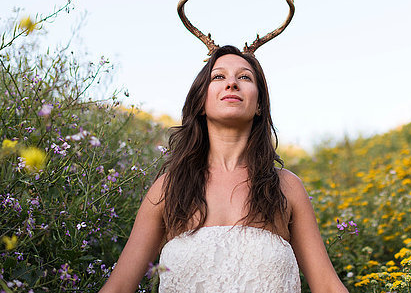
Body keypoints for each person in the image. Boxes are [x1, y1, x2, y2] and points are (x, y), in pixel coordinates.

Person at [99, 45, 349, 293]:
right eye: (219, 76)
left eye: (244, 77)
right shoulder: (168, 188)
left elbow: (327, 286)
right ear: (201, 102)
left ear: (259, 104)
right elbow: (119, 287)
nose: (232, 83)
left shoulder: (287, 187)